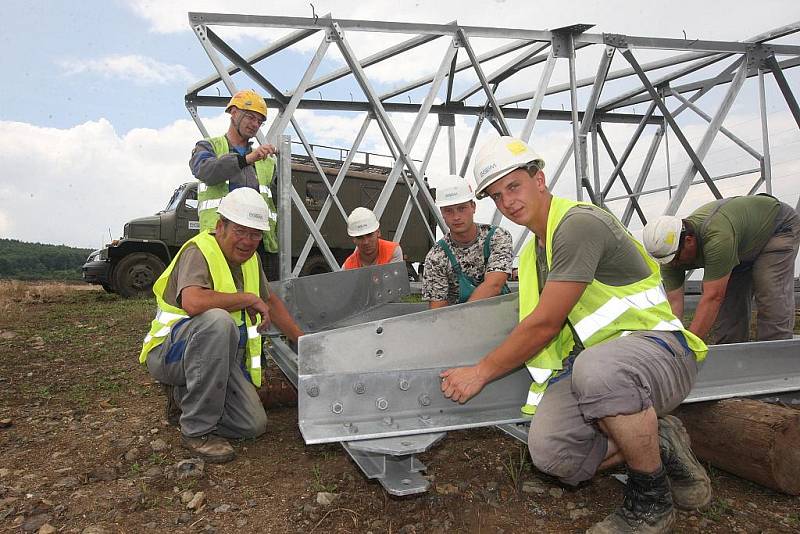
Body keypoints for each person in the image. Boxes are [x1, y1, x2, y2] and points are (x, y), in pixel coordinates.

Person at [440, 136, 711, 533]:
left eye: (513, 186)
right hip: (593, 365)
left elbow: (546, 323)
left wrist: (480, 372)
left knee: (597, 370)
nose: (508, 202)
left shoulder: (577, 224)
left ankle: (650, 502)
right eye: (497, 196)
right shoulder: (534, 251)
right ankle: (659, 438)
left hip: (656, 351)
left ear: (539, 179)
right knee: (552, 456)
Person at [138, 188, 303, 463]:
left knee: (252, 426)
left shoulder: (251, 260)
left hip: (217, 361)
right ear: (220, 226)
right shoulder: (198, 250)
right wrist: (246, 298)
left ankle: (184, 401)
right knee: (218, 320)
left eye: (255, 234)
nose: (248, 241)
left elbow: (270, 300)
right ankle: (198, 431)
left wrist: (302, 340)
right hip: (170, 354)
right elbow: (193, 302)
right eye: (241, 231)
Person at [643, 196, 800, 344]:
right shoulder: (669, 254)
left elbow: (713, 297)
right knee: (729, 312)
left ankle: (775, 360)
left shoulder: (717, 238)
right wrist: (673, 344)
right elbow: (674, 303)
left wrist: (690, 347)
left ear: (689, 241)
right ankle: (732, 362)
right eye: (667, 262)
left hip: (777, 228)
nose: (673, 265)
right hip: (740, 246)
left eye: (675, 259)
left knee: (770, 292)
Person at [190, 89, 280, 281]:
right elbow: (206, 171)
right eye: (250, 117)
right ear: (233, 113)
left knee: (262, 299)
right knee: (222, 295)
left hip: (259, 244)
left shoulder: (267, 161)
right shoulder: (208, 146)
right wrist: (246, 159)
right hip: (219, 240)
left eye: (259, 121)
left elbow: (280, 201)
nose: (255, 124)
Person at [422, 176, 512, 308]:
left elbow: (494, 285)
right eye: (449, 211)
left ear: (473, 207)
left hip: (500, 315)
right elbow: (437, 308)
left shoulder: (497, 237)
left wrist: (466, 315)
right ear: (442, 214)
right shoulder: (436, 257)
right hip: (458, 325)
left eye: (462, 208)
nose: (456, 217)